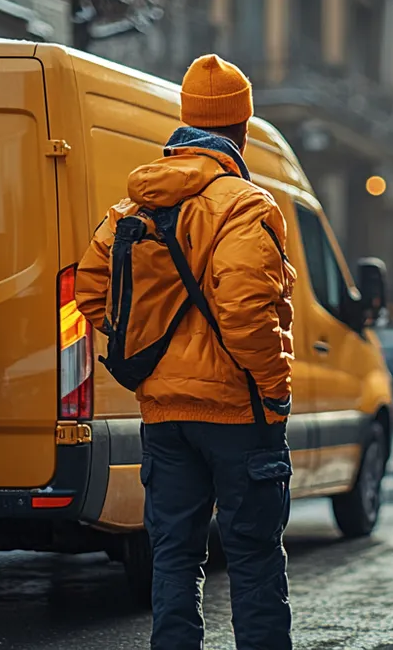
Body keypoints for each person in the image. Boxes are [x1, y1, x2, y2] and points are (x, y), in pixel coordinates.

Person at [75, 54, 298, 650]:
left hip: (165, 416)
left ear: (187, 122)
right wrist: (274, 386)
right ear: (241, 128)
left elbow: (90, 292)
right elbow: (248, 310)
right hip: (236, 412)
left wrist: (146, 356)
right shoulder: (246, 206)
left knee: (174, 558)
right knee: (253, 559)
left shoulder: (135, 206)